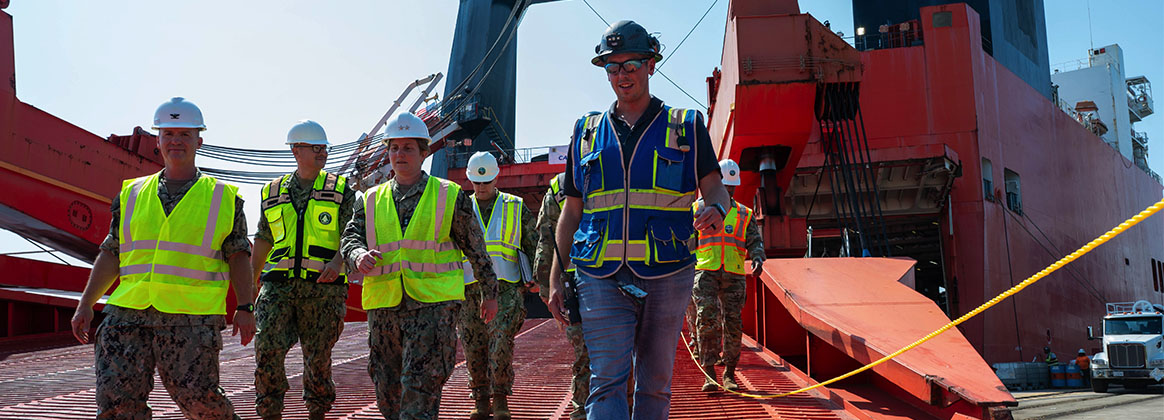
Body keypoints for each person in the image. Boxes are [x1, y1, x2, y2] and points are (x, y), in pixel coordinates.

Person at [546, 20, 732, 420]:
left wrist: (716, 208)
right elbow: (572, 211)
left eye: (631, 64)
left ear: (651, 64)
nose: (622, 75)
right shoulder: (586, 132)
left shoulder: (686, 126)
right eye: (612, 67)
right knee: (606, 380)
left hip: (667, 273)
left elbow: (716, 189)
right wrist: (555, 276)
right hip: (599, 275)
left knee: (654, 383)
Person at [69, 97, 256, 419]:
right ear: (158, 140)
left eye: (184, 134)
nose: (175, 141)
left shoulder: (223, 197)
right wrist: (86, 303)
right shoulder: (132, 193)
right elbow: (112, 251)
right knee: (117, 406)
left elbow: (239, 255)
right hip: (127, 315)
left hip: (191, 318)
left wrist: (245, 306)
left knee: (202, 403)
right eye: (168, 133)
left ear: (199, 140)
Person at [341, 112, 499, 419]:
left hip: (433, 308)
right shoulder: (370, 199)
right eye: (394, 148)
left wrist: (489, 293)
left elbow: (476, 247)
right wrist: (358, 256)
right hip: (384, 308)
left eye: (408, 148)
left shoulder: (448, 195)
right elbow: (350, 238)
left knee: (420, 389)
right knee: (388, 393)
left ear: (424, 152)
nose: (400, 154)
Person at [250, 120, 355, 420]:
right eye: (316, 148)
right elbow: (263, 237)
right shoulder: (271, 192)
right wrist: (251, 283)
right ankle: (270, 413)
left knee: (317, 359)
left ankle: (317, 414)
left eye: (324, 148)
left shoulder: (341, 190)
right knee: (267, 352)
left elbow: (352, 233)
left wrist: (338, 263)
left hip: (324, 290)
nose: (323, 153)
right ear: (296, 150)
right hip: (277, 289)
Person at [459, 151, 538, 420]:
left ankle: (501, 397)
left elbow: (532, 241)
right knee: (473, 345)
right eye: (477, 183)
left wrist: (538, 276)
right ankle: (481, 400)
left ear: (496, 178)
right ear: (470, 180)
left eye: (487, 182)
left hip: (506, 288)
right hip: (469, 289)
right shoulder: (461, 208)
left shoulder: (515, 206)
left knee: (500, 343)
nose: (481, 187)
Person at [693, 159, 765, 392]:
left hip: (734, 274)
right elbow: (685, 241)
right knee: (706, 320)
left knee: (733, 324)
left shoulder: (744, 213)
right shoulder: (697, 209)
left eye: (733, 187)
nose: (730, 191)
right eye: (727, 186)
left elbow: (754, 241)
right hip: (705, 272)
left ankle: (729, 373)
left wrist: (757, 257)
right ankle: (709, 373)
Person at [534, 172, 590, 420]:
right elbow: (548, 239)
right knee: (586, 350)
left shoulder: (559, 187)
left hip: (601, 278)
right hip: (579, 283)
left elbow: (546, 240)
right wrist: (549, 288)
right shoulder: (560, 187)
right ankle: (582, 409)